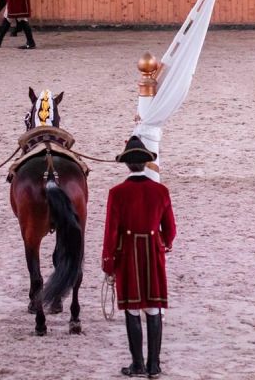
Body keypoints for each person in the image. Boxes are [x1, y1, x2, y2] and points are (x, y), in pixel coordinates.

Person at [102, 135, 176, 378]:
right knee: (154, 307)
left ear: (127, 164)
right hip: (153, 254)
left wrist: (108, 264)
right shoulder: (161, 191)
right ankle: (154, 366)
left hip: (129, 255)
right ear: (145, 163)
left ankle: (137, 365)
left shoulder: (117, 193)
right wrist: (162, 242)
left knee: (132, 309)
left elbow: (111, 232)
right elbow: (171, 230)